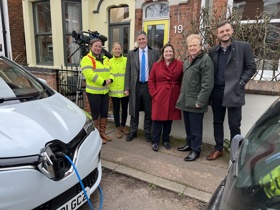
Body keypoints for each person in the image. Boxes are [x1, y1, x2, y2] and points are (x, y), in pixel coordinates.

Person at [206, 20, 257, 161]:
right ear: (217, 34)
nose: (225, 33)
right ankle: (218, 149)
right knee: (217, 122)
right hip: (217, 91)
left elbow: (251, 67)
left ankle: (236, 153)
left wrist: (241, 83)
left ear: (232, 31)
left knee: (234, 124)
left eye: (227, 30)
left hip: (234, 91)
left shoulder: (243, 47)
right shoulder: (213, 51)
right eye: (221, 32)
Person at [176, 34, 214, 161]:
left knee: (196, 128)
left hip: (196, 101)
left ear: (200, 46)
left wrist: (201, 101)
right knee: (188, 126)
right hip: (186, 100)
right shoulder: (187, 61)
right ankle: (189, 144)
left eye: (194, 45)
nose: (192, 48)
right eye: (190, 46)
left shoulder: (205, 60)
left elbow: (207, 84)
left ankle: (196, 150)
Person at [124, 31, 160, 142]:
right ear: (136, 41)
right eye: (139, 39)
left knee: (149, 111)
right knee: (134, 110)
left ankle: (147, 132)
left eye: (143, 39)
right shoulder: (131, 53)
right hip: (136, 86)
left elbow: (159, 70)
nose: (141, 41)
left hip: (149, 86)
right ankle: (133, 131)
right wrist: (126, 87)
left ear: (146, 39)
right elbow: (128, 72)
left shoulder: (155, 52)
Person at [148, 43, 183, 151]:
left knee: (169, 120)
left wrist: (180, 93)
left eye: (170, 51)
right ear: (163, 53)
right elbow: (151, 80)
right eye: (166, 51)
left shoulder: (179, 64)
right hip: (160, 95)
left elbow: (182, 80)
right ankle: (155, 141)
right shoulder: (156, 65)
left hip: (173, 94)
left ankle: (166, 140)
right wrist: (154, 93)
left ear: (173, 53)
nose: (168, 53)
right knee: (157, 120)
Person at [80, 38, 114, 144]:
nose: (98, 48)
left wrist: (111, 79)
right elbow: (89, 74)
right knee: (95, 114)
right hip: (94, 92)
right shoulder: (86, 59)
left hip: (105, 92)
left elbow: (111, 70)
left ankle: (102, 132)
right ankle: (96, 136)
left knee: (104, 113)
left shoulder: (105, 59)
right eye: (96, 46)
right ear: (91, 46)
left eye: (100, 46)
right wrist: (103, 82)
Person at [109, 42, 130, 139]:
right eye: (115, 49)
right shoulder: (109, 61)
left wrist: (127, 88)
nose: (117, 50)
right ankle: (117, 127)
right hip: (114, 90)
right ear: (112, 49)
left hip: (124, 90)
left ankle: (123, 125)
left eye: (119, 49)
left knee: (125, 109)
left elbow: (128, 75)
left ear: (121, 50)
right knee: (116, 110)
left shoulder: (126, 60)